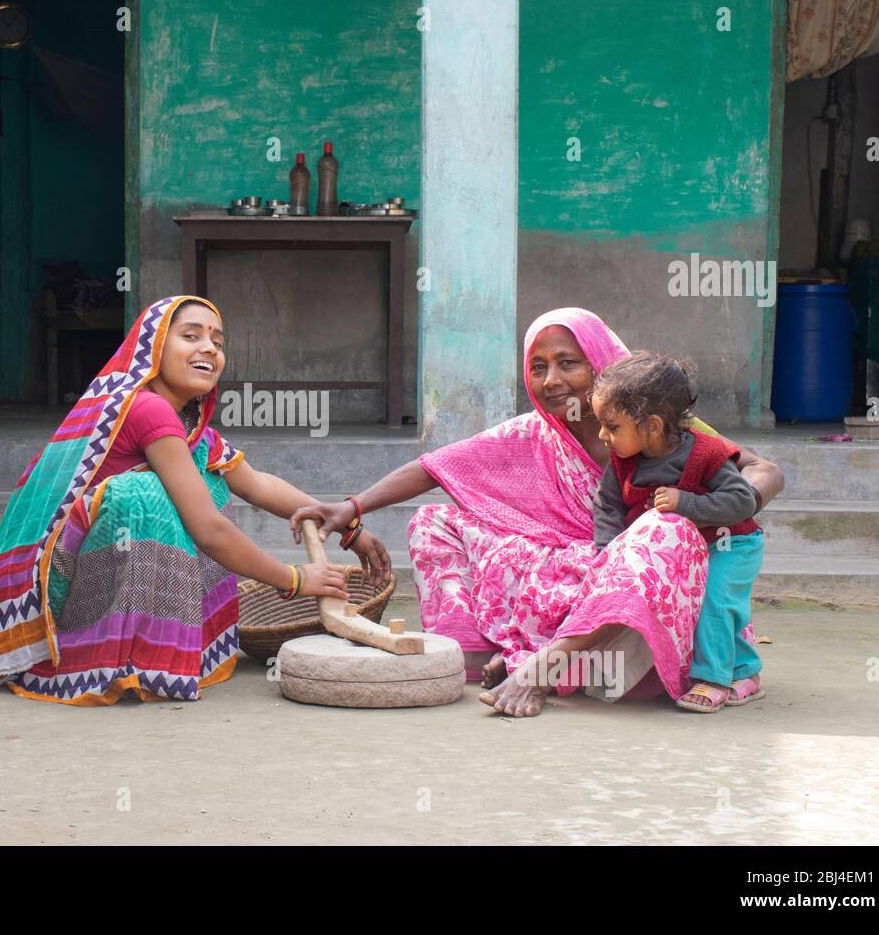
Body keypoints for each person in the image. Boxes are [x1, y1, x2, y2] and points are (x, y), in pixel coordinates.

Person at [292, 307, 784, 717]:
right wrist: (353, 507)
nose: (552, 381)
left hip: (649, 576)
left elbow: (765, 472)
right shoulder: (534, 430)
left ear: (601, 364)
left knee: (664, 527)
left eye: (568, 362)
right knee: (434, 522)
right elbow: (435, 468)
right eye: (538, 366)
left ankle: (545, 664)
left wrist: (715, 508)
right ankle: (472, 653)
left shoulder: (665, 425)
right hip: (585, 565)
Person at [0, 295, 390, 706]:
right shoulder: (146, 409)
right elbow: (208, 530)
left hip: (85, 575)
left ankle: (153, 643)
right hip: (60, 597)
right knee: (144, 495)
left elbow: (256, 484)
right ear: (153, 350)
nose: (209, 347)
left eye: (218, 341)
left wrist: (350, 525)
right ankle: (109, 650)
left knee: (204, 479)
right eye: (190, 336)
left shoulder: (189, 426)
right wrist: (294, 579)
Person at [590, 351, 766, 714]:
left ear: (652, 425)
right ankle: (746, 673)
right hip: (679, 555)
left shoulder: (706, 454)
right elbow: (608, 506)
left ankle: (714, 680)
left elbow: (742, 500)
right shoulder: (624, 461)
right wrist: (606, 551)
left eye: (612, 426)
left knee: (713, 602)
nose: (602, 435)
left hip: (730, 545)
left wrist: (686, 503)